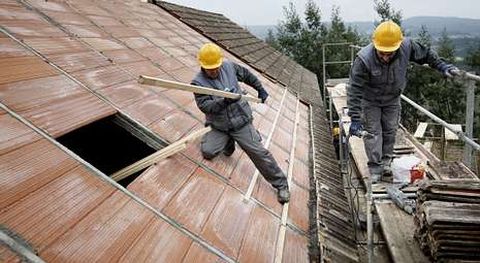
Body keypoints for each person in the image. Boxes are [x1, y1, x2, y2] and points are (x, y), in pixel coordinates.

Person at [347, 20, 458, 183]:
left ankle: (386, 163)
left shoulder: (407, 47)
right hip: (370, 100)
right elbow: (354, 89)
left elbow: (426, 54)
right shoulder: (363, 59)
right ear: (375, 46)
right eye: (381, 53)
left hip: (392, 99)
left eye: (389, 53)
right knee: (373, 133)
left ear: (397, 47)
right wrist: (355, 118)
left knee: (390, 130)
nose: (385, 57)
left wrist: (441, 66)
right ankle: (375, 168)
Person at [191, 43, 290, 204]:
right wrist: (224, 102)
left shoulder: (228, 67)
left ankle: (281, 184)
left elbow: (247, 75)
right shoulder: (198, 83)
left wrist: (260, 88)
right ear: (202, 66)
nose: (214, 71)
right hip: (220, 125)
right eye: (210, 69)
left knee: (258, 152)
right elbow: (205, 107)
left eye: (216, 67)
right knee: (208, 152)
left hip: (240, 122)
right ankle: (229, 141)